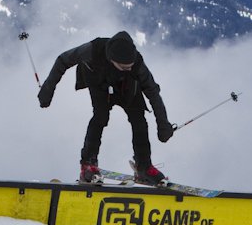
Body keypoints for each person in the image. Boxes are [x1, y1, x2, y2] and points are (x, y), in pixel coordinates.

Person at [36, 30, 174, 186]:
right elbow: (63, 60)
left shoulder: (136, 63)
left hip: (127, 87)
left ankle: (144, 167)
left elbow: (153, 92)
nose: (129, 68)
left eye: (131, 66)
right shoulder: (92, 50)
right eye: (124, 66)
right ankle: (88, 164)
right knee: (100, 117)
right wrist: (48, 89)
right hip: (100, 84)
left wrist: (163, 123)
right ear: (111, 59)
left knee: (139, 120)